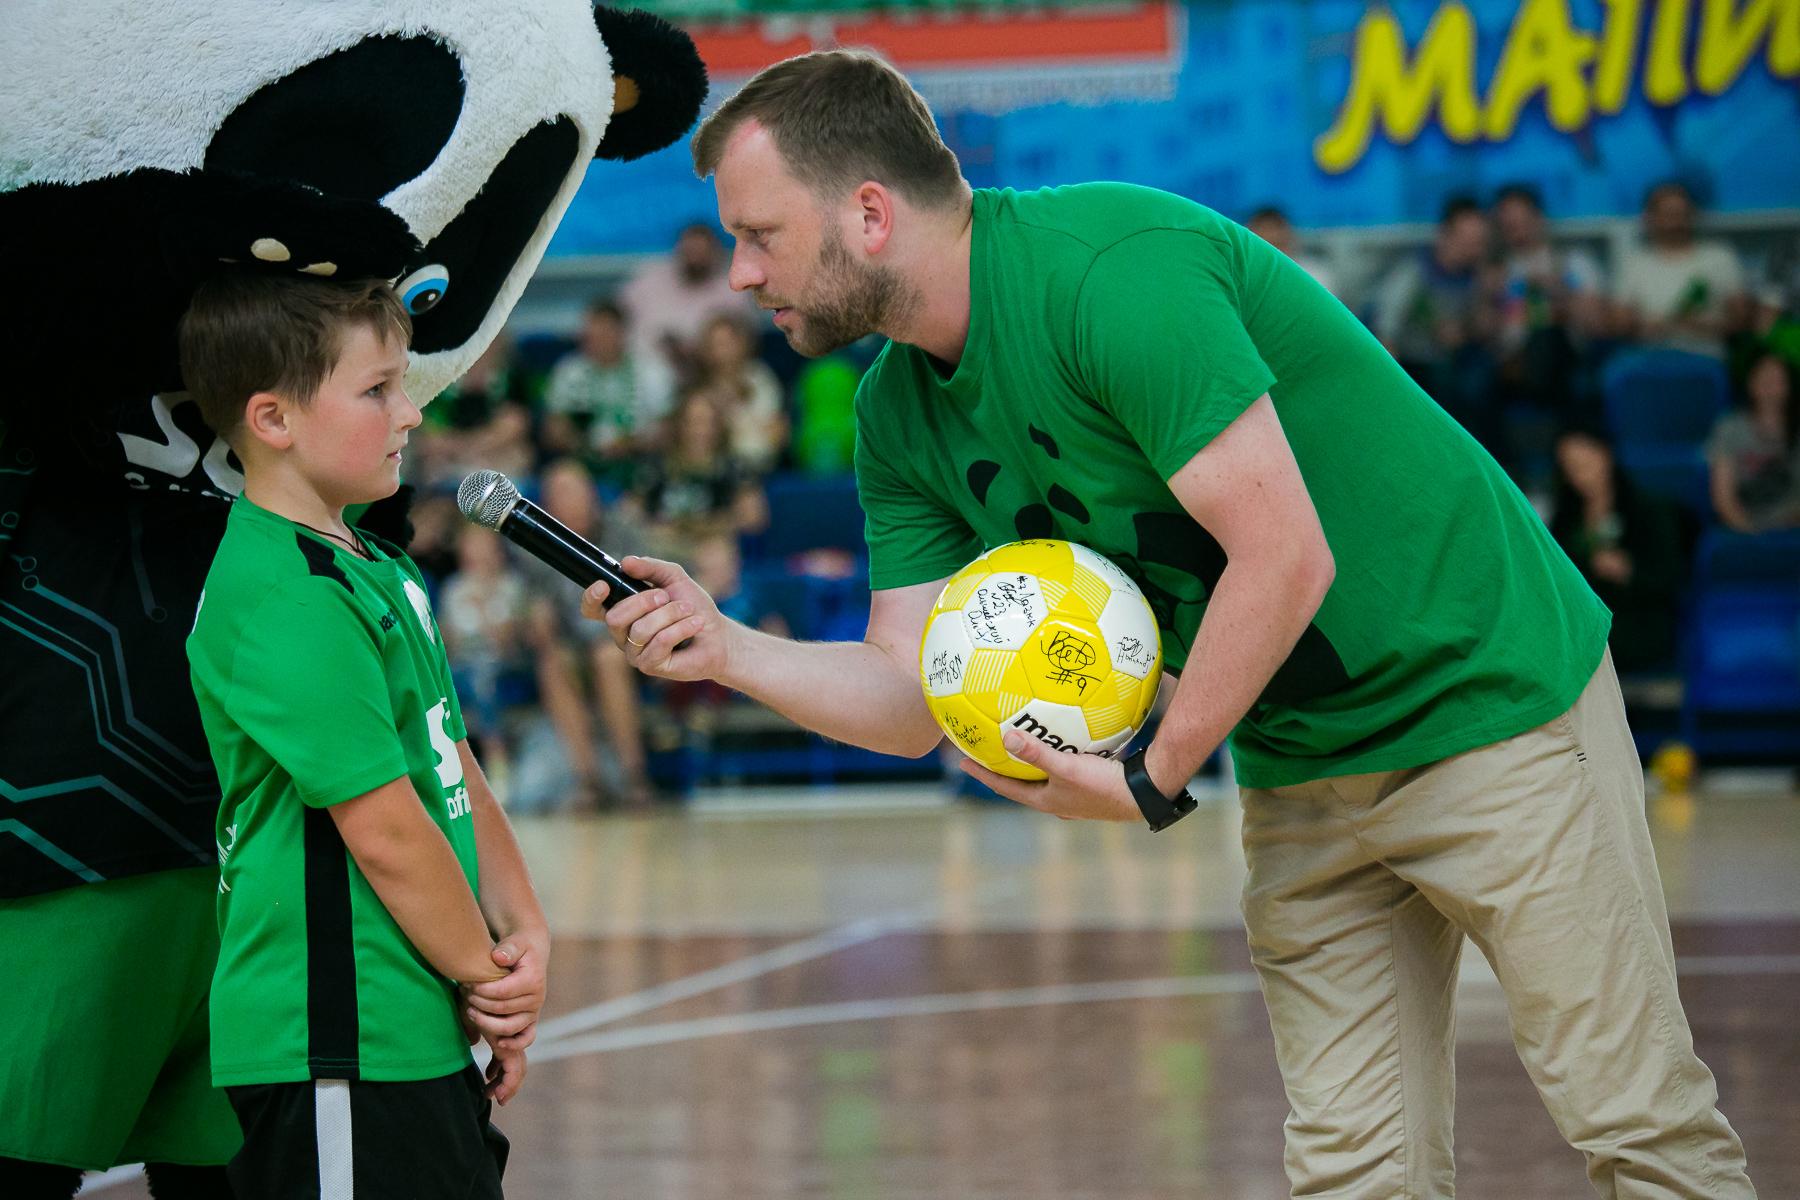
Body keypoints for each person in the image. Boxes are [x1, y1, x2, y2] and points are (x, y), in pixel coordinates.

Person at [581, 50, 1756, 1199]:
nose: (741, 274)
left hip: (1487, 702)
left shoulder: (1112, 271)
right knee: (1355, 1171)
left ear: (871, 214)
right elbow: (908, 696)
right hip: (1302, 759)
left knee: (1635, 1125)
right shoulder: (896, 412)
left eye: (760, 235)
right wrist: (727, 647)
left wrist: (1154, 771)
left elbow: (1284, 554)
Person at [179, 272, 549, 1198]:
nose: (410, 413)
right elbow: (384, 830)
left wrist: (522, 933)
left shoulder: (377, 565)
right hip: (335, 1042)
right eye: (378, 389)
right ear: (273, 419)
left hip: (409, 1022)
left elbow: (453, 765)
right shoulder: (288, 598)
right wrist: (485, 981)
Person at [516, 458, 658, 812]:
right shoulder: (538, 541)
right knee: (552, 663)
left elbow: (655, 580)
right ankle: (588, 780)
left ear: (591, 495)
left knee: (606, 657)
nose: (567, 500)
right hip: (573, 646)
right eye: (557, 494)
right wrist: (535, 616)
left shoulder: (621, 530)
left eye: (573, 490)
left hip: (632, 641)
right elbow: (532, 603)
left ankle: (633, 776)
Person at [1370, 197, 1504, 457]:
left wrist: (1486, 298)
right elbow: (1385, 328)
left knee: (1482, 379)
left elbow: (1486, 332)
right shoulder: (1414, 271)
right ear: (1445, 235)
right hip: (1413, 364)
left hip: (1458, 361)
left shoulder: (1478, 276)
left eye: (1479, 242)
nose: (1474, 248)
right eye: (1468, 240)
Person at [1548, 428, 1684, 672]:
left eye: (1585, 465)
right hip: (1581, 623)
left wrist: (1628, 571)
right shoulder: (1565, 517)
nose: (1579, 476)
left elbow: (1669, 576)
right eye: (1570, 469)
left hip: (1637, 620)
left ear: (1605, 455)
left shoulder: (1647, 511)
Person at [541, 297, 674, 486]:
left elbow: (667, 429)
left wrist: (629, 444)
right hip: (582, 461)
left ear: (621, 333)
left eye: (603, 334)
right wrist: (579, 443)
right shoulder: (570, 371)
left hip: (639, 461)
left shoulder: (651, 371)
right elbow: (552, 428)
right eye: (591, 334)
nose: (595, 340)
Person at [1613, 181, 1751, 360]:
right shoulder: (1634, 263)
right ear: (1650, 218)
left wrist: (1698, 325)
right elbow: (1618, 324)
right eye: (1668, 214)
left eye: (1682, 213)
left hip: (1707, 357)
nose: (1676, 221)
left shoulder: (1720, 257)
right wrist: (1645, 327)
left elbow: (1742, 320)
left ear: (1693, 215)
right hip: (1647, 358)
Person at [620, 221, 759, 382]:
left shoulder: (733, 290)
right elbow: (614, 317)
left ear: (715, 254)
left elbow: (745, 343)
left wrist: (694, 352)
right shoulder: (649, 280)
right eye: (691, 251)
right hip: (642, 371)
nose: (695, 258)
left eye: (701, 252)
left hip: (707, 375)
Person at [1708, 350, 1800, 532]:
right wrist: (1749, 533)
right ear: (1751, 382)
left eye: (1777, 380)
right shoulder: (1730, 428)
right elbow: (1723, 497)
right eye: (1764, 378)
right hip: (1743, 529)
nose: (1770, 387)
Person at [693, 312, 789, 473]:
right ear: (706, 350)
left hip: (761, 464)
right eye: (716, 344)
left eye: (728, 342)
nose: (723, 351)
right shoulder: (699, 388)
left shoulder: (761, 377)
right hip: (715, 469)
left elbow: (773, 430)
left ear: (743, 343)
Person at [1246, 205, 1339, 298]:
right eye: (1266, 248)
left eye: (1278, 245)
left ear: (1291, 240)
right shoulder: (1243, 279)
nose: (1273, 256)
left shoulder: (1315, 276)